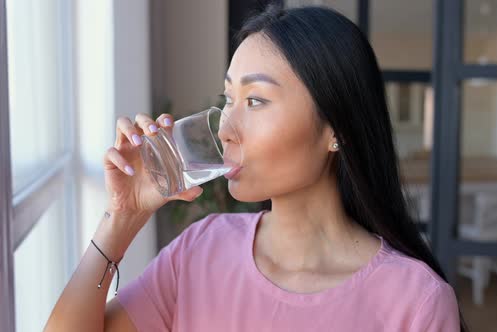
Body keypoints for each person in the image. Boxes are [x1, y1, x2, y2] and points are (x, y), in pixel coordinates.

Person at [46, 4, 466, 331]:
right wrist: (123, 217)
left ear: (335, 129)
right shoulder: (200, 252)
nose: (225, 128)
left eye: (256, 101)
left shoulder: (416, 301)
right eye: (229, 99)